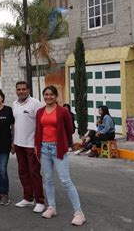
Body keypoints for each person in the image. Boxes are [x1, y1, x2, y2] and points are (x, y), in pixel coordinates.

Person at [35, 86, 86, 226]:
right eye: (46, 94)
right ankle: (51, 207)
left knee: (65, 180)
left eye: (51, 94)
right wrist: (36, 147)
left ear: (56, 96)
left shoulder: (63, 111)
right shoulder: (40, 112)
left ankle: (79, 213)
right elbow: (38, 130)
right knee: (48, 180)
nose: (48, 97)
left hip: (58, 148)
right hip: (44, 148)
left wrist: (65, 144)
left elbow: (70, 129)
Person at [12, 81, 45, 213]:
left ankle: (40, 201)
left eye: (23, 89)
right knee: (23, 172)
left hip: (32, 145)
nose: (21, 91)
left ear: (28, 90)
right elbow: (15, 124)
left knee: (34, 173)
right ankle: (28, 198)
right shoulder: (14, 104)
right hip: (19, 144)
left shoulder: (36, 104)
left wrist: (38, 144)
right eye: (19, 89)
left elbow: (41, 124)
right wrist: (13, 142)